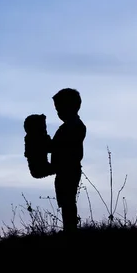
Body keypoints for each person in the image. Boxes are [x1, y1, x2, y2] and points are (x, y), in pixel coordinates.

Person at [49, 88, 86, 233]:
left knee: (68, 202)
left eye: (60, 108)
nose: (58, 113)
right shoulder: (67, 127)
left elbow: (60, 147)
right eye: (57, 109)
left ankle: (70, 231)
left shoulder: (75, 127)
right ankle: (69, 229)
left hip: (69, 169)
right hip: (64, 169)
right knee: (65, 202)